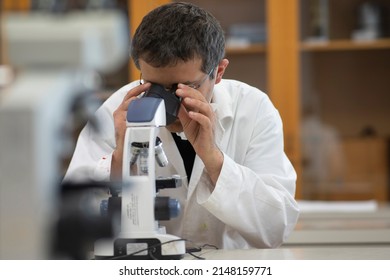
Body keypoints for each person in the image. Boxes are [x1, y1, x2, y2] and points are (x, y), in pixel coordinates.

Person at [64, 2, 299, 249]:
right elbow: (69, 218)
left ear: (218, 72)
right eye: (155, 87)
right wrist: (119, 160)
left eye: (184, 88)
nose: (169, 105)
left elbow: (276, 227)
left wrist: (214, 160)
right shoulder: (117, 111)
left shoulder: (252, 109)